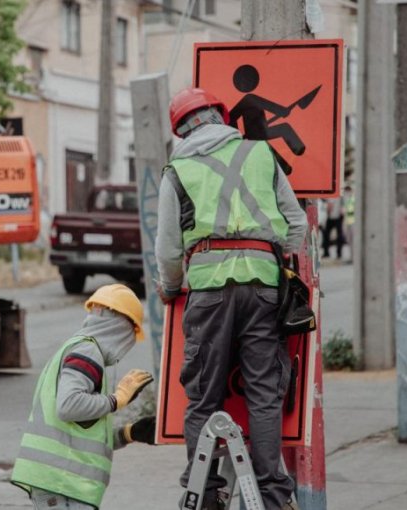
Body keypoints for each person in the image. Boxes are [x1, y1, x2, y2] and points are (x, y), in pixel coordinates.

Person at [155, 87, 307, 510]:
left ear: (180, 131)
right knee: (263, 392)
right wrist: (274, 259)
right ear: (220, 117)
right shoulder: (259, 154)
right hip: (263, 287)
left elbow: (167, 248)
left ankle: (204, 492)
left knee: (203, 394)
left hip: (208, 291)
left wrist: (170, 288)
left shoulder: (178, 169)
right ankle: (274, 495)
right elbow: (296, 225)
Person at [11, 283, 157, 510]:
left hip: (59, 483)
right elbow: (69, 406)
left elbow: (81, 431)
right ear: (120, 326)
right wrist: (116, 400)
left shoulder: (81, 349)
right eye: (131, 331)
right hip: (62, 483)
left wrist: (127, 434)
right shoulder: (88, 351)